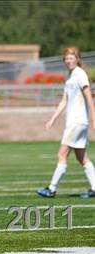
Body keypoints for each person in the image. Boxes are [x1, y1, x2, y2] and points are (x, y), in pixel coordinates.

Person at [37, 46, 95, 198]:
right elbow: (64, 100)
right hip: (75, 122)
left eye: (71, 58)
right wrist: (53, 118)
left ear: (77, 59)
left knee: (62, 154)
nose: (68, 61)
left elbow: (89, 97)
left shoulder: (80, 74)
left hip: (77, 122)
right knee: (82, 157)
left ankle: (51, 189)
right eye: (66, 59)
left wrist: (94, 118)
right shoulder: (69, 76)